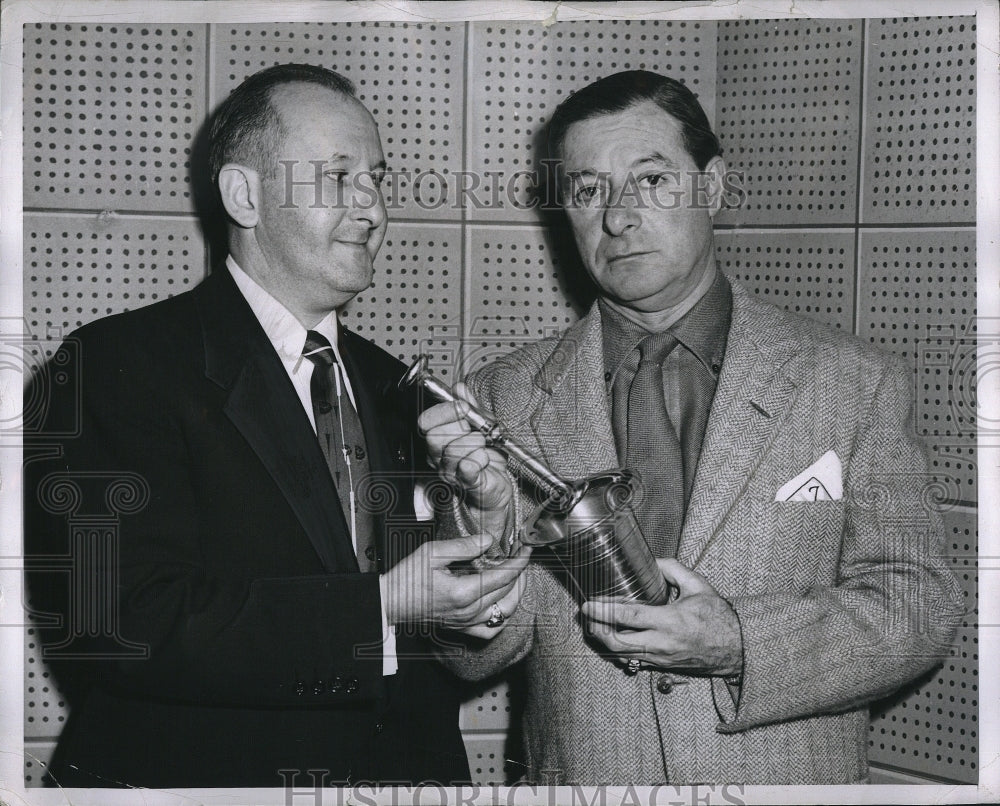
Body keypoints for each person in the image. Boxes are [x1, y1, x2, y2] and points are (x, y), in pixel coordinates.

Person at [419, 70, 964, 785]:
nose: (617, 217)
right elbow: (472, 655)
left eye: (650, 181)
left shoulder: (853, 382)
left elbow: (918, 610)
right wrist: (486, 534)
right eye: (588, 192)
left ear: (711, 187)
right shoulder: (501, 399)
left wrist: (739, 642)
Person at [23, 63, 528, 789]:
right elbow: (120, 621)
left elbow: (446, 640)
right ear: (244, 195)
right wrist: (379, 605)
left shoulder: (400, 387)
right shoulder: (112, 367)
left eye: (377, 179)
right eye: (337, 176)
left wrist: (480, 539)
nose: (373, 208)